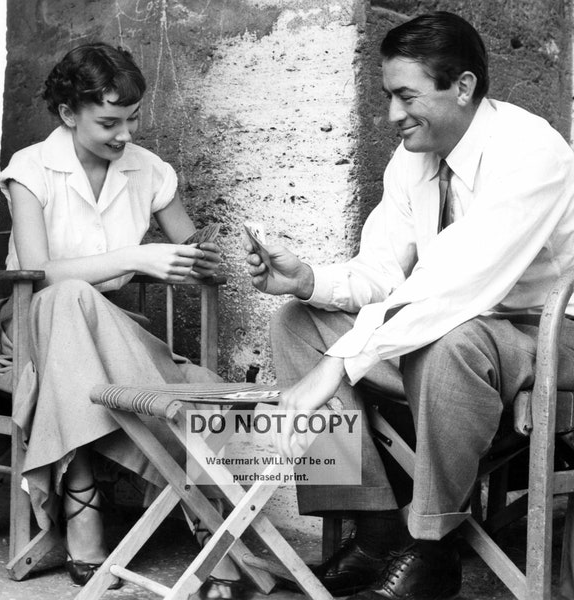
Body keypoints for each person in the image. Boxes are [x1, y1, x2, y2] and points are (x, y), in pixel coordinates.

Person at [246, 11, 574, 600]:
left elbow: (456, 283)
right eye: (387, 95)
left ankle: (432, 548)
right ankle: (372, 525)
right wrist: (306, 280)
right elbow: (383, 272)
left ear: (464, 86)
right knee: (298, 325)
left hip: (550, 332)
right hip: (463, 325)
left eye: (406, 96)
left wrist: (338, 364)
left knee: (449, 341)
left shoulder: (531, 152)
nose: (392, 115)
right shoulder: (412, 159)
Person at [0, 42, 241, 599]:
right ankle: (196, 503)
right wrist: (134, 257)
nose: (125, 134)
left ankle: (83, 505)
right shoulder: (31, 168)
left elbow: (190, 246)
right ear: (69, 115)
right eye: (109, 122)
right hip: (28, 326)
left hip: (110, 331)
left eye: (133, 118)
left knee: (82, 305)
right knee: (68, 295)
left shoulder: (149, 170)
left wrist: (208, 261)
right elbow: (40, 273)